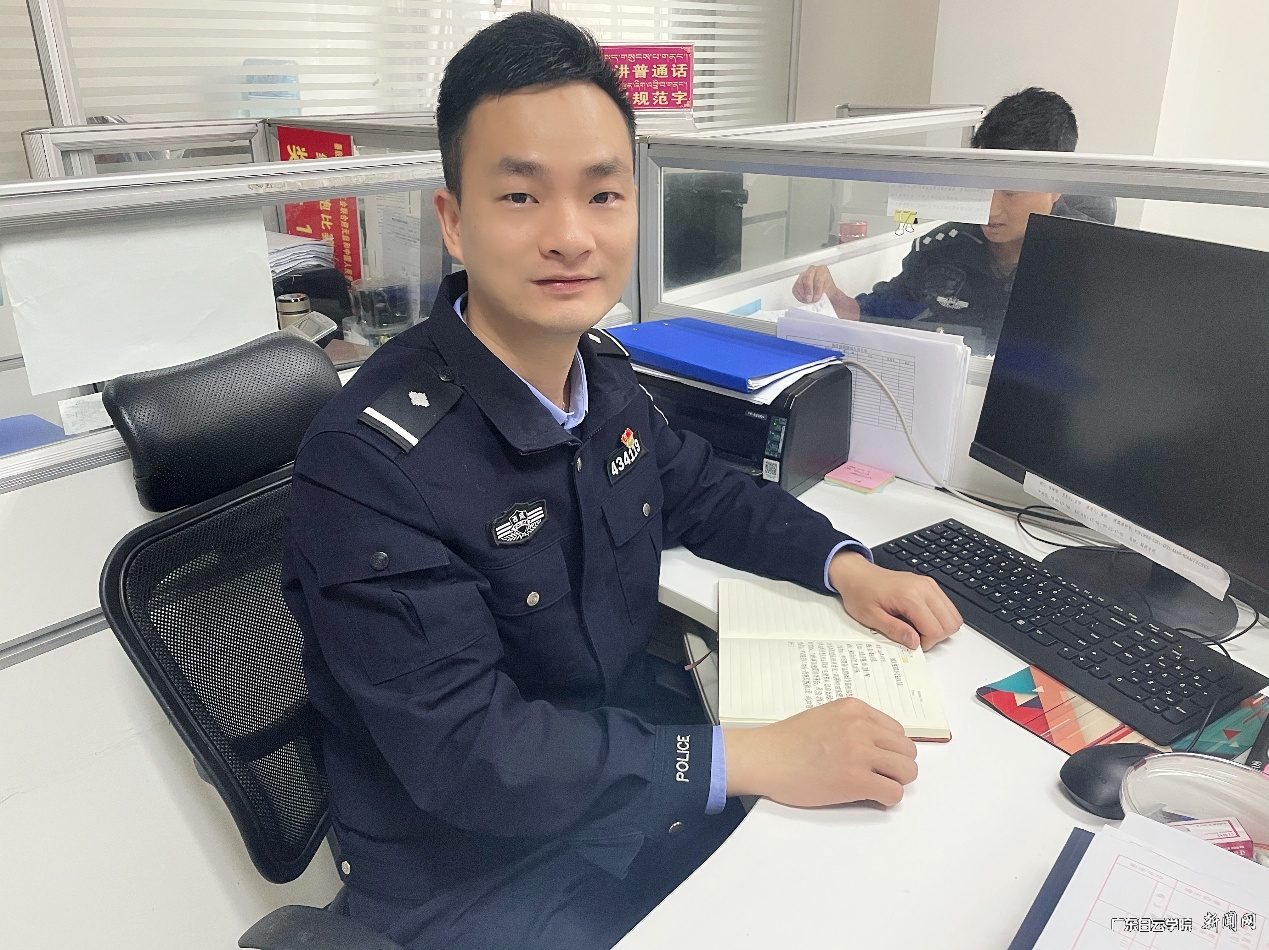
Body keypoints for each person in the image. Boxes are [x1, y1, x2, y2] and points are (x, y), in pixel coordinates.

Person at [282, 13, 961, 950]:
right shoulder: (367, 466)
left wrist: (843, 564)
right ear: (454, 221)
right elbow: (471, 754)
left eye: (602, 194)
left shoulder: (597, 374)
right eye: (520, 197)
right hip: (472, 870)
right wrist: (752, 756)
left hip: (621, 784)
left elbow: (697, 489)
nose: (570, 236)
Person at [793, 87, 1111, 351]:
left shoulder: (1092, 262)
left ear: (1057, 186)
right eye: (983, 185)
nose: (990, 209)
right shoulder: (944, 249)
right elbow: (872, 315)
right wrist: (831, 295)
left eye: (1010, 192)